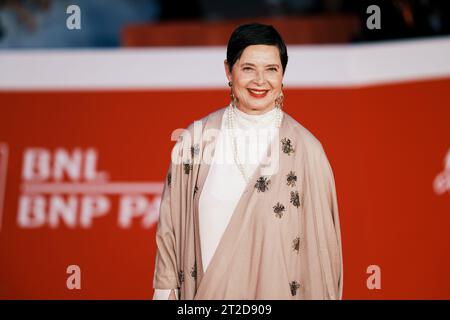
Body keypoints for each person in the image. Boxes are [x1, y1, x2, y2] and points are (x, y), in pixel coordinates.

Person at [153, 23, 343, 300]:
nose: (260, 80)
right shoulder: (195, 140)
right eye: (248, 68)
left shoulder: (307, 150)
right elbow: (170, 227)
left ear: (283, 75)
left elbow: (323, 252)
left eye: (271, 69)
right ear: (228, 71)